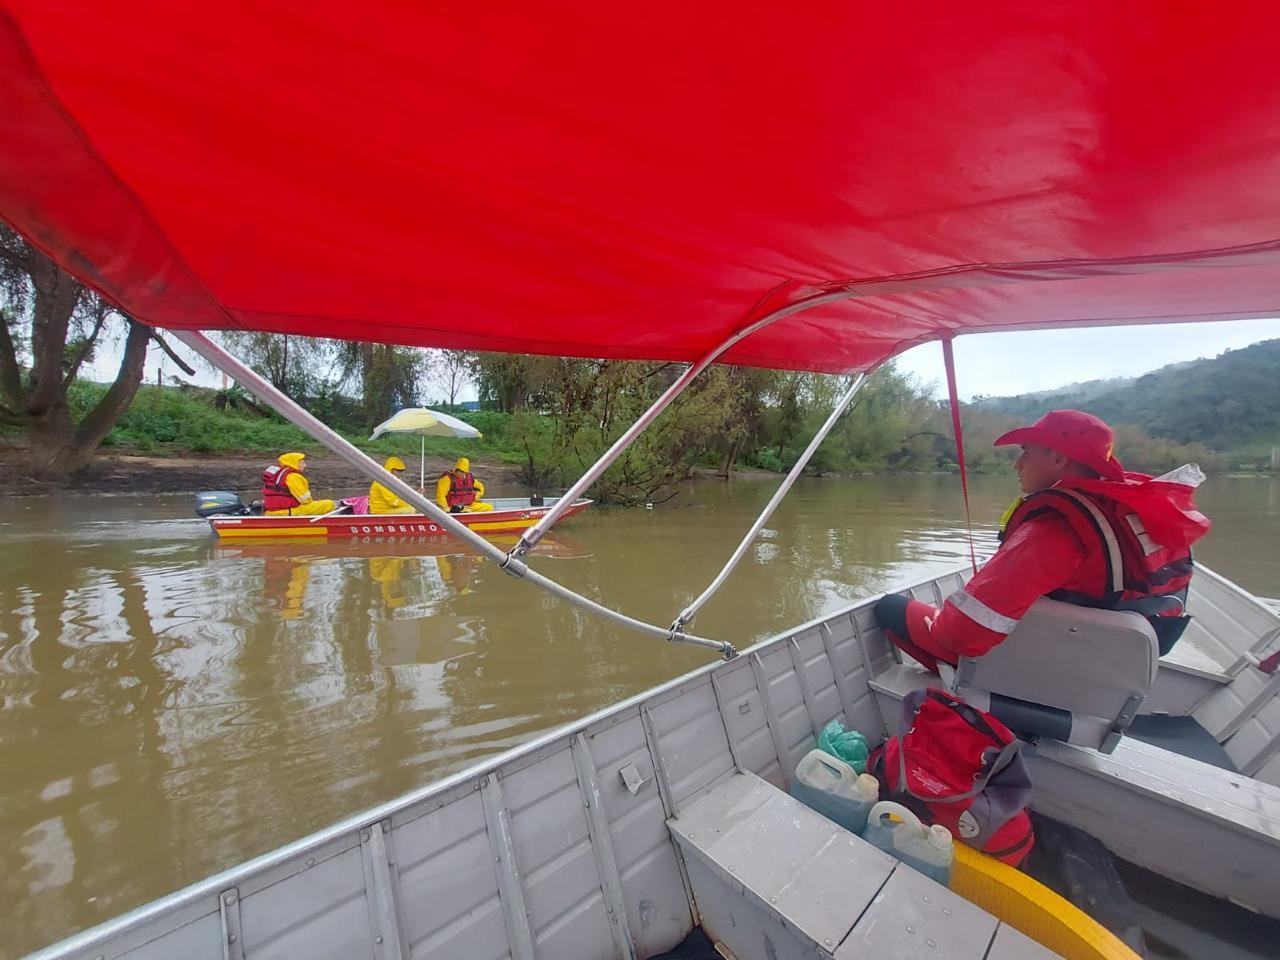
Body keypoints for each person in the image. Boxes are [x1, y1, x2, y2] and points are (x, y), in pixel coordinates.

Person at [875, 410, 1211, 672]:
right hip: (1109, 670)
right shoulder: (1130, 516)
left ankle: (964, 694)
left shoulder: (1053, 530)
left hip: (1049, 667)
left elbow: (961, 634)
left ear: (1059, 458)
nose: (1017, 464)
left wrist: (943, 621)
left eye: (1027, 453)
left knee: (890, 608)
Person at [261, 452, 337, 517]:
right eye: (302, 463)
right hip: (287, 512)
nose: (305, 465)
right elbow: (305, 500)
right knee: (329, 504)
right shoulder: (293, 476)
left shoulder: (277, 475)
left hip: (270, 512)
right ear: (294, 463)